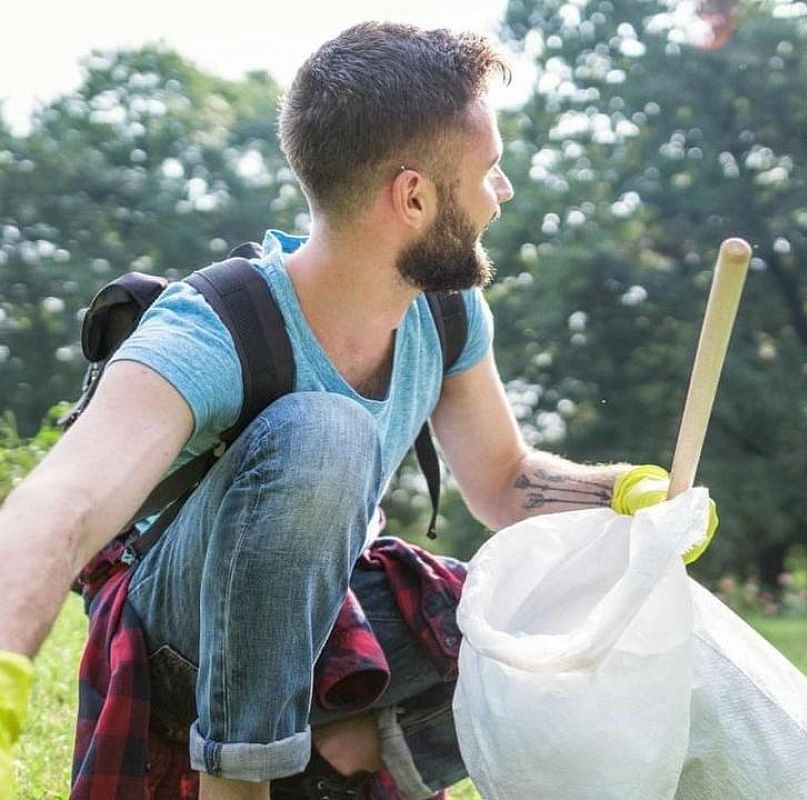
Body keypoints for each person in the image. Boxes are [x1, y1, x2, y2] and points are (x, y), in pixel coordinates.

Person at [0, 22, 718, 800]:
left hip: (320, 620)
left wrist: (625, 495)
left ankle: (345, 754)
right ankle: (240, 784)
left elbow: (504, 480)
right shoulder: (215, 325)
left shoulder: (445, 313)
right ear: (413, 196)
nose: (501, 193)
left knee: (548, 613)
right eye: (491, 171)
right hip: (177, 637)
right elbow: (63, 502)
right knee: (325, 434)